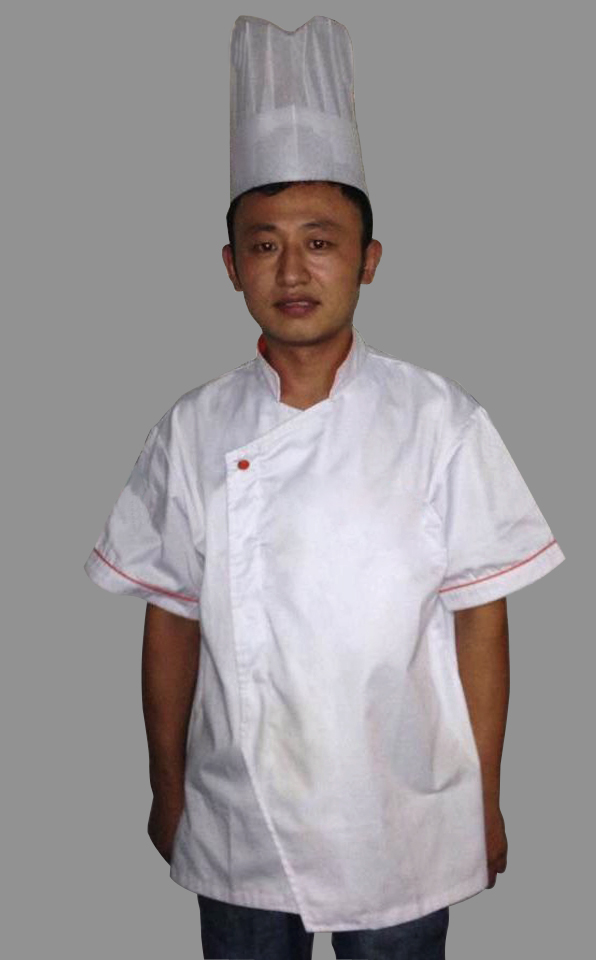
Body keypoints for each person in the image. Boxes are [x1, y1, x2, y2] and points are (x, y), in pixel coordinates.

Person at [83, 16, 565, 960]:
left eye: (321, 241)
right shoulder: (191, 429)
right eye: (264, 246)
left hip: (402, 818)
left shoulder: (441, 421)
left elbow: (482, 621)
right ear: (231, 267)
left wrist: (485, 799)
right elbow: (170, 621)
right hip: (239, 819)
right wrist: (168, 789)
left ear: (368, 260)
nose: (293, 270)